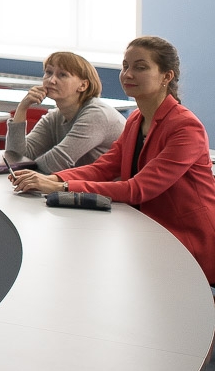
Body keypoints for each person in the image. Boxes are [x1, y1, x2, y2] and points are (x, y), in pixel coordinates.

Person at [12, 36, 215, 284]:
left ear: (166, 77)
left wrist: (60, 186)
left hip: (187, 239)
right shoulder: (136, 119)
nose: (128, 74)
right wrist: (52, 178)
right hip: (147, 230)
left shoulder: (185, 127)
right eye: (125, 66)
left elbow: (138, 188)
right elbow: (104, 167)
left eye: (140, 67)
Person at [5, 51, 124, 172]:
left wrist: (23, 167)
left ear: (83, 85)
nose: (51, 80)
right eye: (48, 72)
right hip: (80, 186)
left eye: (62, 75)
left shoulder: (97, 115)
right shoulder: (55, 117)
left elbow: (55, 163)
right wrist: (22, 108)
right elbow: (17, 157)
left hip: (108, 188)